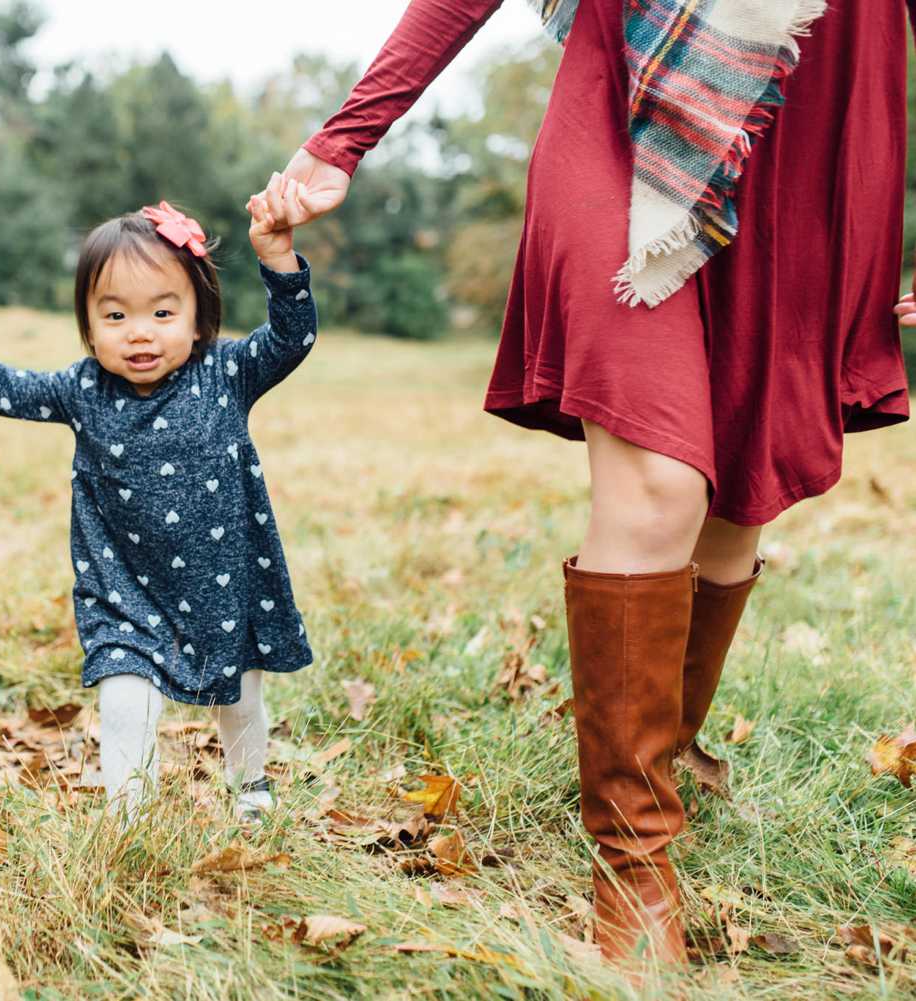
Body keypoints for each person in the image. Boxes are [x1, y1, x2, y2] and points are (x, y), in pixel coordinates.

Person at [264, 0, 912, 968]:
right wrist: (345, 137)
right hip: (623, 103)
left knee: (738, 500)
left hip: (818, 120)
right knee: (661, 488)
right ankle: (634, 856)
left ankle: (664, 750)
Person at [0, 185, 320, 821]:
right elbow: (10, 387)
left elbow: (292, 337)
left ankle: (249, 785)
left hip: (225, 582)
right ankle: (129, 818)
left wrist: (278, 257)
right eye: (115, 316)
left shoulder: (226, 374)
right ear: (88, 326)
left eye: (162, 314)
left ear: (200, 317)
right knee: (123, 698)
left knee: (239, 696)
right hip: (125, 590)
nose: (139, 334)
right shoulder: (82, 390)